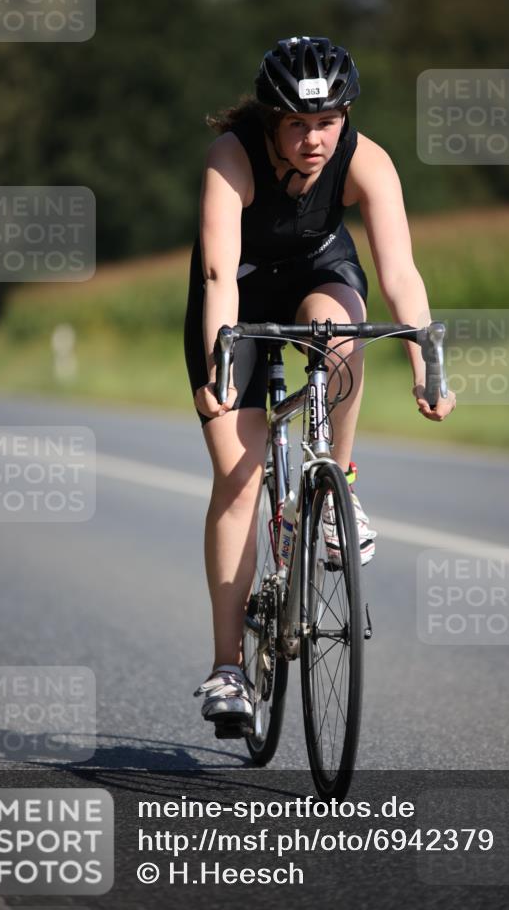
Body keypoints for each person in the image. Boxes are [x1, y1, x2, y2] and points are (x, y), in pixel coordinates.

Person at [184, 36, 456, 737]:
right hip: (236, 295)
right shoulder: (231, 158)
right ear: (270, 119)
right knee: (238, 478)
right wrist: (220, 360)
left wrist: (425, 359)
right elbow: (217, 274)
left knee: (339, 333)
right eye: (298, 125)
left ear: (345, 116)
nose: (314, 140)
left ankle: (338, 483)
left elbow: (398, 272)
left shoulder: (366, 159)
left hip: (316, 273)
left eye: (328, 122)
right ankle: (228, 669)